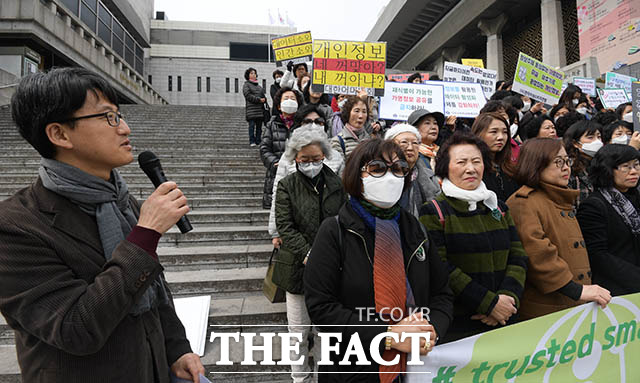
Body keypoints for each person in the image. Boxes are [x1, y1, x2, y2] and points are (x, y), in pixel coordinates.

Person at [0, 67, 204, 382]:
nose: (125, 128)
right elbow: (75, 329)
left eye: (120, 115)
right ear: (59, 134)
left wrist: (177, 348)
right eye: (108, 117)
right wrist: (145, 236)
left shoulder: (121, 203)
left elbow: (154, 290)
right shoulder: (16, 226)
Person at [304, 139, 454, 380]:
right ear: (357, 175)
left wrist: (431, 329)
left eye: (398, 169)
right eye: (377, 168)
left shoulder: (414, 228)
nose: (390, 176)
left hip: (416, 368)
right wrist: (388, 336)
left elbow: (442, 294)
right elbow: (322, 308)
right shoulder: (335, 231)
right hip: (353, 368)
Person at [419, 132, 527, 342]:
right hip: (461, 324)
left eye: (476, 161)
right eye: (461, 162)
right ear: (445, 167)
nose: (471, 168)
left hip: (505, 319)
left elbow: (518, 255)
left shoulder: (498, 207)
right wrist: (488, 303)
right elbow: (441, 267)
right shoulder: (434, 211)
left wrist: (508, 298)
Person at [271, 125, 347, 383]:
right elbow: (285, 226)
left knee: (327, 331)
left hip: (331, 271)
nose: (311, 164)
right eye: (305, 160)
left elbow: (344, 221)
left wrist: (329, 256)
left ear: (324, 155)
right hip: (296, 269)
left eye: (316, 159)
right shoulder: (287, 185)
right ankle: (300, 379)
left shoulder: (337, 184)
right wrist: (309, 254)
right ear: (295, 159)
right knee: (298, 333)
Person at [507, 138, 611, 319]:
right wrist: (576, 290)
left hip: (572, 305)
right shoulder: (524, 202)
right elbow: (538, 256)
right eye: (558, 162)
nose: (566, 167)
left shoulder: (557, 197)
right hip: (547, 311)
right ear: (536, 164)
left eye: (567, 161)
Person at [268, 104, 345, 248]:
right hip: (298, 234)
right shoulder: (288, 159)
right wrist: (275, 232)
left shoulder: (335, 157)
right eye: (308, 122)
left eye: (318, 121)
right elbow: (277, 192)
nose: (314, 126)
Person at [577, 144, 640, 296]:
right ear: (607, 170)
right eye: (625, 166)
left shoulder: (635, 198)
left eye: (636, 165)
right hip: (616, 290)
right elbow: (598, 255)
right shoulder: (594, 205)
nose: (634, 171)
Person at [260, 87, 304, 209]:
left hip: (298, 175)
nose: (289, 101)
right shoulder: (272, 124)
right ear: (279, 106)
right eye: (286, 98)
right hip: (276, 174)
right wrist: (274, 163)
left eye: (293, 98)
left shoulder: (304, 125)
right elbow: (264, 148)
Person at [385, 124, 440, 218]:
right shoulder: (382, 176)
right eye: (404, 142)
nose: (410, 148)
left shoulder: (430, 176)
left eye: (415, 143)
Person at [471, 112, 519, 202]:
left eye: (505, 132)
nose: (501, 137)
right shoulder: (472, 171)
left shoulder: (510, 168)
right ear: (479, 134)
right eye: (494, 132)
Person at [563, 120, 604, 206]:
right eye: (590, 137)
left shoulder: (603, 162)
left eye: (599, 137)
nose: (597, 141)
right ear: (575, 143)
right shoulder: (569, 166)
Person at [331, 95, 370, 160]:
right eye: (356, 111)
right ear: (348, 113)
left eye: (364, 112)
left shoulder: (370, 141)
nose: (360, 116)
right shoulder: (337, 141)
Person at [242, 67, 268, 147]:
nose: (254, 75)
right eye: (251, 73)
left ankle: (258, 141)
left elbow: (263, 96)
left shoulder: (259, 86)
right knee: (252, 126)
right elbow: (247, 95)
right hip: (251, 110)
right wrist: (259, 100)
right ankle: (252, 141)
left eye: (254, 73)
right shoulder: (246, 85)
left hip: (259, 110)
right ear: (248, 75)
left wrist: (264, 99)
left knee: (259, 127)